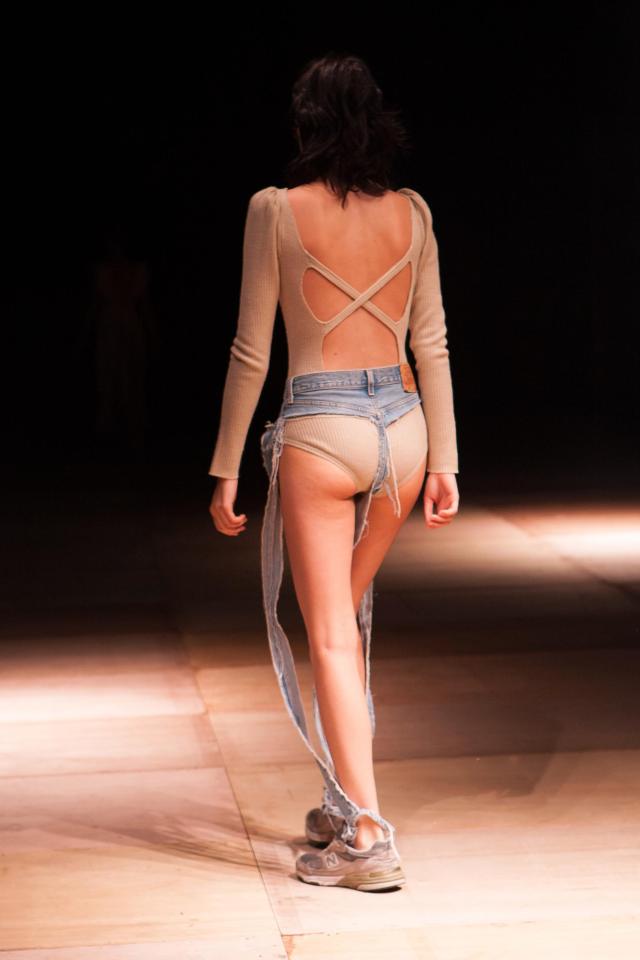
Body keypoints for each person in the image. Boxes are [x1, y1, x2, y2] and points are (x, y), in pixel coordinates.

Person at [208, 52, 460, 892]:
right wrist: (446, 460)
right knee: (341, 626)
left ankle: (367, 839)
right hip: (405, 431)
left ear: (304, 124)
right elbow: (432, 342)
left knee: (329, 635)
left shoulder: (275, 210)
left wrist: (224, 467)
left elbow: (251, 351)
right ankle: (344, 801)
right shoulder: (413, 212)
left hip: (321, 432)